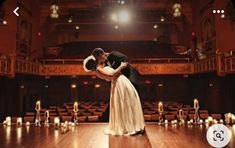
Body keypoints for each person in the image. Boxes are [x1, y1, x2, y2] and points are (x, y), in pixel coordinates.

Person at [83, 55, 145, 136]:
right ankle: (131, 126)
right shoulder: (98, 69)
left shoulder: (98, 70)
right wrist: (121, 66)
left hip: (119, 82)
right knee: (127, 102)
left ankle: (132, 125)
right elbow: (112, 74)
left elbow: (108, 77)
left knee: (127, 102)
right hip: (119, 82)